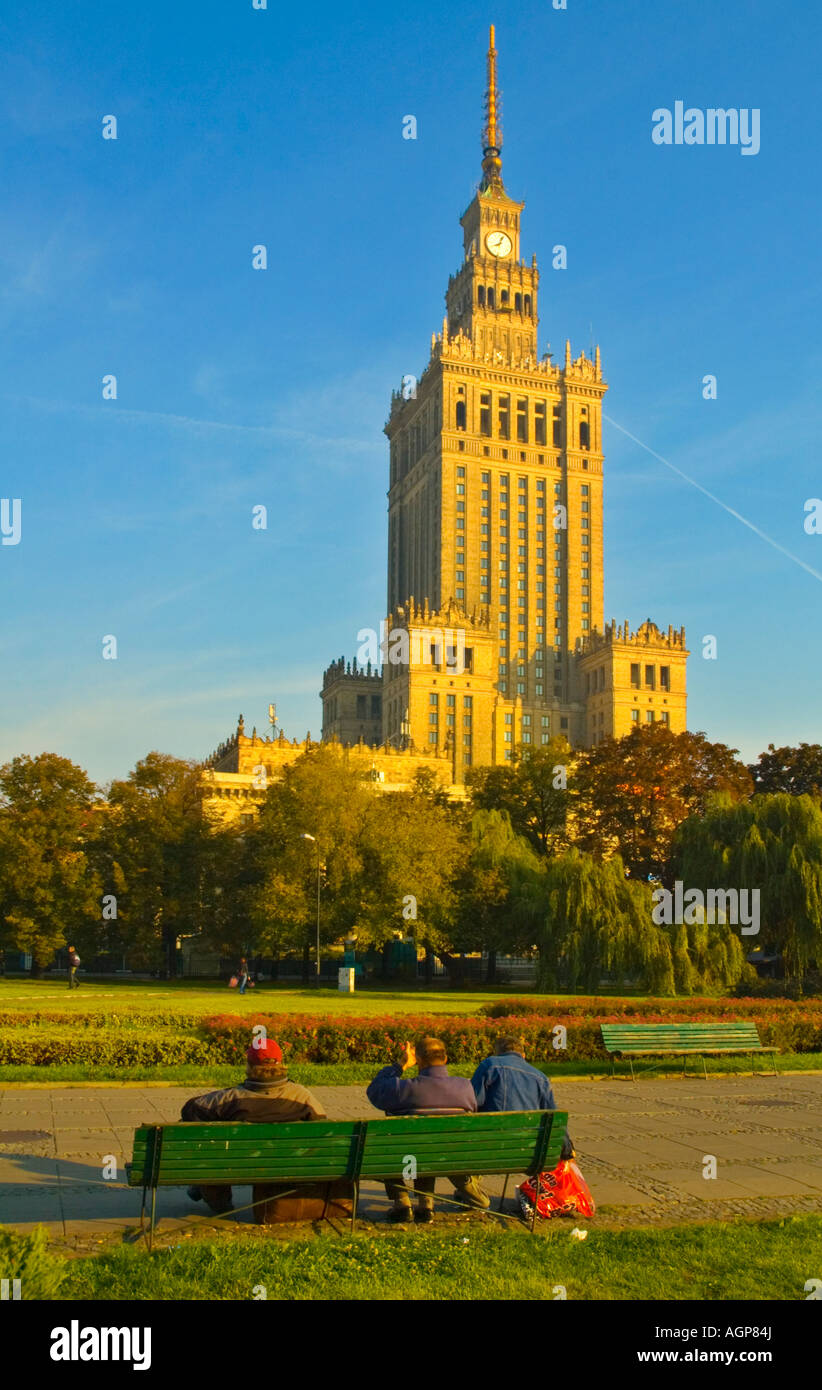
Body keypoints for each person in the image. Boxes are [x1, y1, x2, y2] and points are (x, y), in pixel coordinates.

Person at [183, 1036, 326, 1214]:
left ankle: (216, 1199)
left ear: (249, 1066)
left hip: (236, 1165)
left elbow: (190, 1110)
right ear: (281, 1063)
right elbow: (321, 1123)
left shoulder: (230, 1099)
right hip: (286, 1163)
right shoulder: (302, 1096)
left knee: (208, 1142)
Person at [366, 1036, 490, 1223]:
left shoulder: (405, 1088)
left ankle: (402, 1202)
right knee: (431, 1143)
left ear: (419, 1061)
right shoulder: (465, 1086)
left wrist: (400, 1065)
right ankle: (425, 1204)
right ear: (446, 1058)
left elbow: (374, 1090)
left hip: (411, 1157)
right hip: (450, 1155)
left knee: (389, 1144)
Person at [471, 1033, 574, 1160]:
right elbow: (554, 1117)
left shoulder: (490, 1065)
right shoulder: (541, 1077)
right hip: (530, 1149)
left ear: (497, 1053)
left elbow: (473, 1101)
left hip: (494, 1144)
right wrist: (567, 1147)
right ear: (523, 1056)